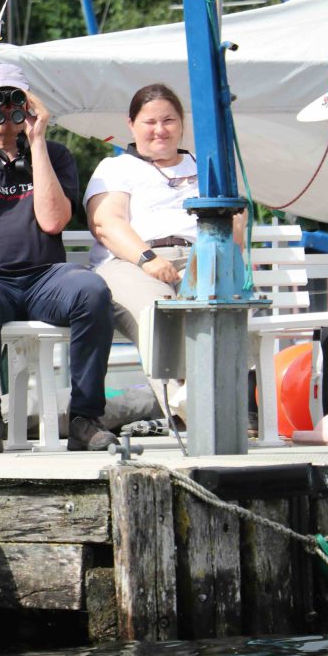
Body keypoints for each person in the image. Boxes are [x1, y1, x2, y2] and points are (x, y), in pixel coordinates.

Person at [0, 63, 118, 454]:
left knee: (92, 289)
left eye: (16, 99)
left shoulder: (54, 155)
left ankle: (84, 418)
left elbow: (52, 221)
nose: (6, 108)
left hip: (42, 280)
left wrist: (36, 141)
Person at [84, 83, 246, 413]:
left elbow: (235, 221)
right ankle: (189, 411)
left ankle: (213, 405)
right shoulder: (116, 168)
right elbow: (106, 223)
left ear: (182, 123)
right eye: (150, 122)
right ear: (131, 124)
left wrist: (212, 261)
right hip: (132, 262)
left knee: (217, 309)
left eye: (169, 120)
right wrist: (148, 258)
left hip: (200, 257)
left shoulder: (207, 168)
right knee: (159, 311)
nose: (160, 130)